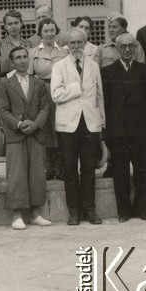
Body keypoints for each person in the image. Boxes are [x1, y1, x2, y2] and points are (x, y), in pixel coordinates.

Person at [51, 27, 105, 226]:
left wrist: (102, 121)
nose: (75, 46)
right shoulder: (59, 66)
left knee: (89, 169)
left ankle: (90, 210)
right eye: (72, 43)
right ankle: (73, 212)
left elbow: (99, 96)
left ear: (85, 43)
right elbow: (56, 94)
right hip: (68, 125)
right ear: (66, 45)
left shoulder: (93, 66)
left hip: (90, 122)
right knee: (71, 169)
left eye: (79, 43)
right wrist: (76, 88)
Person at [101, 33, 146, 222]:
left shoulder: (145, 71)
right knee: (120, 171)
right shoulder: (107, 72)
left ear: (136, 47)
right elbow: (105, 103)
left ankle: (143, 209)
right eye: (123, 47)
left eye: (131, 46)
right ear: (117, 48)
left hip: (139, 128)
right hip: (118, 130)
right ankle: (123, 211)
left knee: (142, 169)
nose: (128, 50)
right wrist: (107, 131)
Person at [0, 47, 51, 230]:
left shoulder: (39, 83)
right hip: (16, 135)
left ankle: (36, 214)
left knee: (36, 173)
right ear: (11, 62)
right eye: (17, 58)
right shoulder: (5, 83)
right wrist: (19, 125)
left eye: (24, 57)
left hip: (35, 134)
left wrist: (35, 124)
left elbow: (45, 108)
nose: (21, 61)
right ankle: (17, 215)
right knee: (17, 175)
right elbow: (2, 110)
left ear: (29, 59)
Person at [94, 12, 145, 178]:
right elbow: (96, 71)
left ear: (124, 28)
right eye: (109, 27)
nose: (111, 30)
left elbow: (140, 69)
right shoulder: (102, 48)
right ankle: (111, 163)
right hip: (111, 95)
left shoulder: (135, 45)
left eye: (114, 26)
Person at [28, 18, 68, 180]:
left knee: (60, 129)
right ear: (40, 33)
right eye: (46, 31)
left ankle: (61, 168)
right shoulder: (33, 53)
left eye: (52, 30)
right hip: (42, 91)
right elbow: (30, 77)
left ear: (56, 32)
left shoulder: (64, 52)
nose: (49, 34)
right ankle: (48, 168)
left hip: (60, 93)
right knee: (44, 129)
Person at [0, 10, 32, 106]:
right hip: (5, 87)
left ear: (21, 23)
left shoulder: (28, 45)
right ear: (5, 26)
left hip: (24, 86)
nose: (13, 26)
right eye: (10, 24)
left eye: (16, 23)